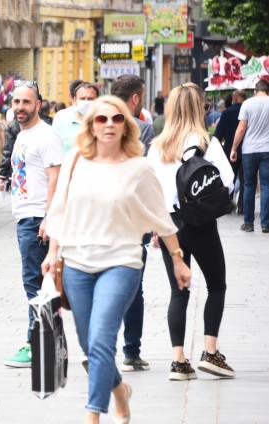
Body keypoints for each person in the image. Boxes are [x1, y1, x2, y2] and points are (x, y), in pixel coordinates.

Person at [42, 95, 191, 424]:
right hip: (77, 262)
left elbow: (160, 215)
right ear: (91, 126)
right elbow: (59, 208)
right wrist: (53, 253)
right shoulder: (75, 160)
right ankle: (119, 390)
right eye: (101, 119)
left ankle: (93, 414)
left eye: (116, 119)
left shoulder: (139, 167)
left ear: (127, 125)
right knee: (86, 340)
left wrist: (178, 259)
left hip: (121, 261)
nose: (108, 124)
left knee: (101, 339)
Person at [147, 82, 236, 381]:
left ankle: (179, 361)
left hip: (171, 225)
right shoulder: (206, 142)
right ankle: (210, 352)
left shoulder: (158, 146)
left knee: (178, 292)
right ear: (200, 108)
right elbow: (228, 180)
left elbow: (150, 191)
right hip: (201, 223)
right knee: (217, 285)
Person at [0, 82, 63, 369]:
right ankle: (46, 342)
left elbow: (55, 178)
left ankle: (35, 345)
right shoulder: (23, 135)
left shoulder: (46, 136)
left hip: (37, 219)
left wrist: (49, 217)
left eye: (26, 102)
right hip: (26, 216)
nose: (20, 107)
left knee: (35, 285)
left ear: (38, 104)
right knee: (39, 283)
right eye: (16, 102)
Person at [109, 74, 159, 372]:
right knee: (132, 288)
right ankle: (131, 351)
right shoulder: (143, 129)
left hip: (99, 220)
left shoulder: (95, 125)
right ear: (137, 98)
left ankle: (98, 349)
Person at [230, 79, 269, 233]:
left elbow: (241, 129)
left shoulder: (247, 103)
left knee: (249, 185)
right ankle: (266, 224)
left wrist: (234, 148)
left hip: (249, 150)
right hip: (267, 150)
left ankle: (248, 223)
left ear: (255, 90)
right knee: (266, 186)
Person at [214, 90, 246, 210]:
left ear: (236, 98)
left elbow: (218, 134)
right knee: (245, 181)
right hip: (246, 151)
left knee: (229, 178)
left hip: (229, 151)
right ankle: (242, 206)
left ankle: (228, 204)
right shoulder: (248, 111)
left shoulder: (227, 112)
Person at [111, 75, 154, 153]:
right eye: (143, 97)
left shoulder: (98, 123)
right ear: (135, 99)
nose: (143, 102)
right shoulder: (145, 129)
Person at [52, 82, 100, 152]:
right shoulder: (61, 117)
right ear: (74, 100)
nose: (86, 102)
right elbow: (53, 147)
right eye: (82, 99)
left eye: (90, 99)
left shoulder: (104, 118)